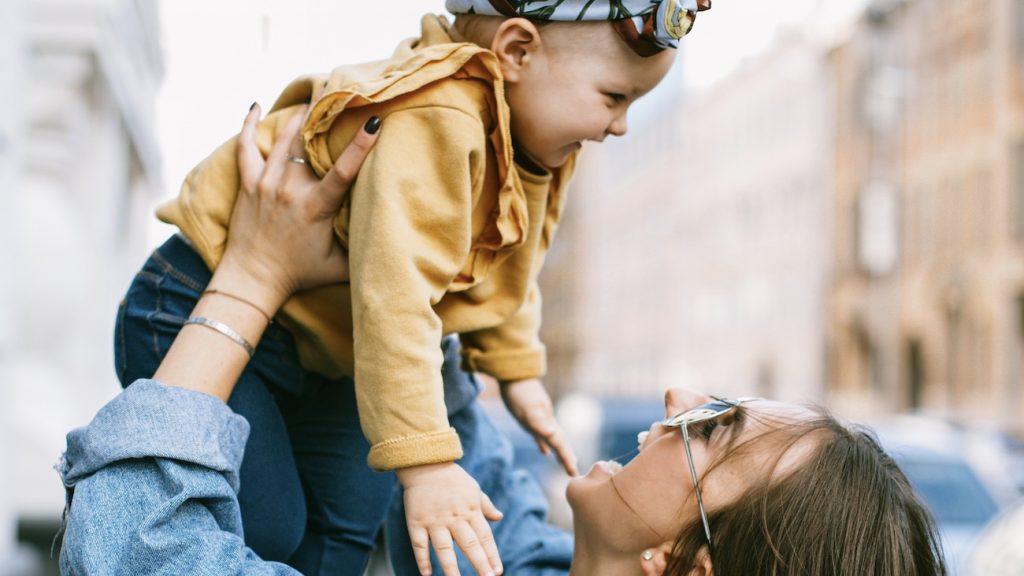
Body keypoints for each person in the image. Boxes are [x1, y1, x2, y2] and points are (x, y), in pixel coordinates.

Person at [59, 106, 949, 575]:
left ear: (683, 563)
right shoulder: (513, 550)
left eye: (716, 426)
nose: (682, 399)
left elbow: (134, 552)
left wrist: (252, 276)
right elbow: (444, 406)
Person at [114, 1, 709, 574]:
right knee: (271, 524)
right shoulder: (437, 118)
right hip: (197, 300)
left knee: (346, 522)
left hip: (328, 350)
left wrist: (516, 367)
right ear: (517, 51)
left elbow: (506, 257)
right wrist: (427, 466)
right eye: (615, 97)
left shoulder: (527, 141)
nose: (622, 125)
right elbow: (395, 299)